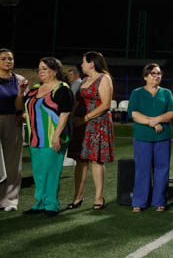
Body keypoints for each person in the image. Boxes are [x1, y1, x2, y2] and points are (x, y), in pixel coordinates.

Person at [16, 58, 74, 217]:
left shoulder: (62, 89)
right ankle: (40, 203)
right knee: (39, 173)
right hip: (35, 137)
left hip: (53, 138)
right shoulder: (35, 88)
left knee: (51, 172)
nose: (40, 71)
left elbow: (65, 113)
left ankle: (51, 205)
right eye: (39, 69)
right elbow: (21, 107)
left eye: (45, 68)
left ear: (55, 70)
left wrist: (56, 136)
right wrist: (21, 93)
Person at [67, 51, 114, 210]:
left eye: (83, 62)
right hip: (81, 124)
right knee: (80, 160)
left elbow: (105, 104)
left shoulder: (104, 78)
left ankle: (99, 197)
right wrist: (73, 117)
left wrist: (84, 119)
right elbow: (77, 101)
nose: (81, 65)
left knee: (96, 160)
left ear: (92, 63)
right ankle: (77, 197)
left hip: (97, 123)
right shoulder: (84, 80)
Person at [128, 63, 173, 213]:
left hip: (163, 137)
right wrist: (152, 122)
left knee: (162, 170)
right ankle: (139, 202)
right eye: (153, 74)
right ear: (145, 77)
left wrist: (158, 119)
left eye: (159, 74)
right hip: (142, 137)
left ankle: (159, 201)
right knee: (142, 169)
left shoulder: (166, 93)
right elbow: (133, 113)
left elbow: (172, 112)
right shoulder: (137, 93)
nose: (156, 76)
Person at [0, 48, 26, 212]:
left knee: (13, 162)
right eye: (3, 59)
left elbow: (22, 104)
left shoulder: (20, 79)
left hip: (13, 121)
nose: (8, 61)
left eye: (10, 59)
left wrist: (21, 112)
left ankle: (9, 201)